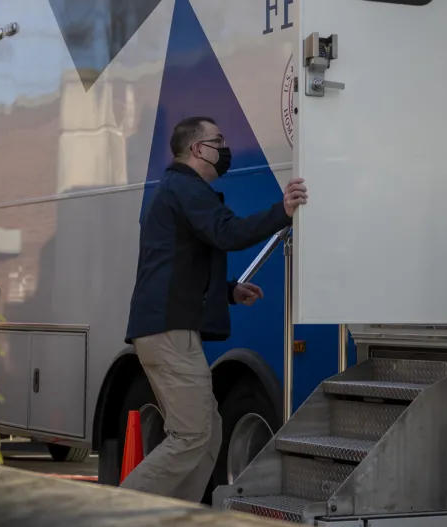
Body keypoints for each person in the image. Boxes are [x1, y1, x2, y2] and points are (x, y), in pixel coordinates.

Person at [121, 116, 308, 502]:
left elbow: (174, 266)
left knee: (209, 431)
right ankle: (107, 514)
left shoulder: (177, 190)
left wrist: (227, 290)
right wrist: (282, 211)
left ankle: (174, 518)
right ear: (196, 149)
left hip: (168, 328)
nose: (224, 148)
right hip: (169, 332)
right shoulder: (186, 189)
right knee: (192, 435)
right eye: (217, 140)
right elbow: (228, 232)